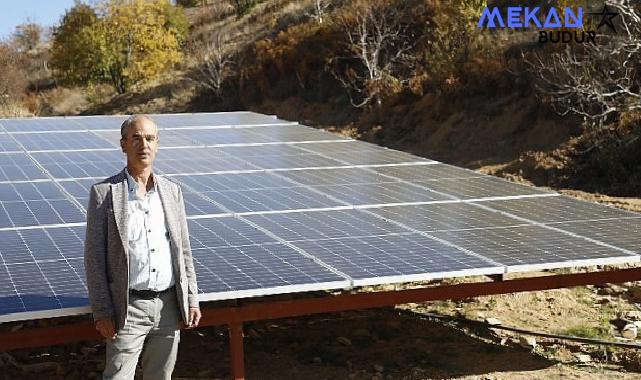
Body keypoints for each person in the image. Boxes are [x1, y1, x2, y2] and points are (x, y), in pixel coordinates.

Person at [84, 114, 201, 379]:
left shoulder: (172, 191)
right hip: (127, 308)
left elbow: (183, 251)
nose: (143, 144)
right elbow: (94, 259)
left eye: (149, 138)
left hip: (169, 305)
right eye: (135, 138)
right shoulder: (104, 193)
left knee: (160, 376)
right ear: (123, 144)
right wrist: (102, 311)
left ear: (157, 144)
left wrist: (191, 298)